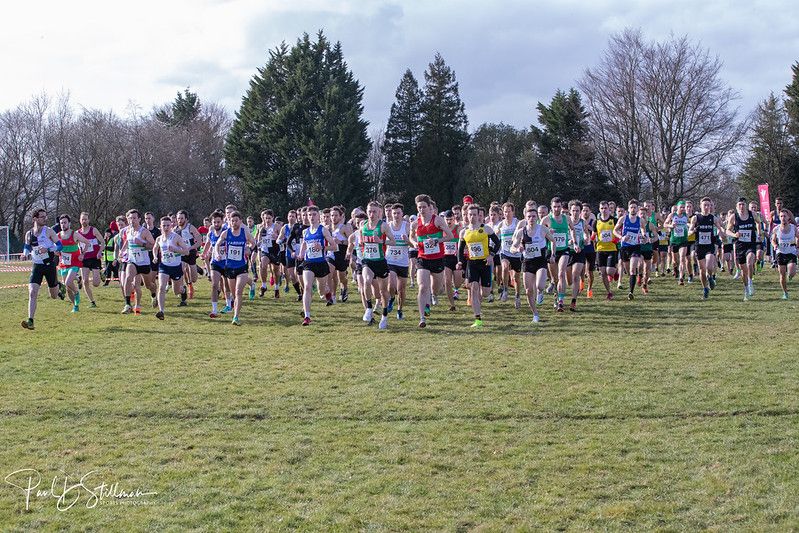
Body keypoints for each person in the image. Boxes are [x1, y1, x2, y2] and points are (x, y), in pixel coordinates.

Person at [409, 194, 454, 328]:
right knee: (423, 287)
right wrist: (414, 243)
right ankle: (422, 318)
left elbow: (450, 236)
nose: (421, 210)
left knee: (436, 289)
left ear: (430, 207)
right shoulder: (415, 223)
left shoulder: (438, 220)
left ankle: (432, 297)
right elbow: (411, 237)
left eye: (424, 207)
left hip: (437, 259)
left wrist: (437, 240)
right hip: (422, 258)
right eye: (419, 207)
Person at [21, 208, 65, 329]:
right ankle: (30, 321)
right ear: (35, 219)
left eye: (45, 216)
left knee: (54, 296)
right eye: (42, 217)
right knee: (32, 292)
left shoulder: (49, 231)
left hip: (49, 265)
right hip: (37, 266)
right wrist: (24, 254)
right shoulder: (29, 234)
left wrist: (48, 249)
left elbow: (60, 246)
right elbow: (27, 246)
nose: (45, 219)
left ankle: (59, 286)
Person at [354, 201, 397, 329]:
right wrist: (362, 243)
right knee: (366, 281)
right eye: (369, 211)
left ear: (379, 212)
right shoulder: (363, 224)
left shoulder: (383, 226)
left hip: (380, 262)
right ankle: (368, 308)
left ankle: (384, 316)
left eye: (374, 211)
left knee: (383, 292)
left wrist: (382, 241)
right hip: (367, 260)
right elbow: (361, 238)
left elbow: (393, 241)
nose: (371, 214)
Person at [457, 204, 501, 327]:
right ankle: (477, 319)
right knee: (474, 288)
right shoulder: (464, 232)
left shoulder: (486, 229)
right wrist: (460, 262)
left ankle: (489, 283)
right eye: (470, 214)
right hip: (472, 263)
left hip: (485, 262)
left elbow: (498, 243)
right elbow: (460, 250)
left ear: (479, 216)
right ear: (467, 215)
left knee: (485, 292)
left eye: (474, 214)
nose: (472, 217)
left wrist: (491, 255)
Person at [511, 206, 555, 323]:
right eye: (529, 216)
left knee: (540, 286)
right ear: (525, 218)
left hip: (540, 261)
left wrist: (553, 255)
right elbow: (512, 248)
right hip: (528, 262)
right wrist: (517, 249)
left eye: (534, 216)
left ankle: (540, 292)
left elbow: (553, 241)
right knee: (528, 291)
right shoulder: (521, 232)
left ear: (537, 218)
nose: (531, 218)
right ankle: (535, 314)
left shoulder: (542, 229)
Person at [215, 211, 256, 325]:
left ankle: (236, 317)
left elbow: (253, 242)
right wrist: (217, 254)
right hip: (229, 267)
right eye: (232, 221)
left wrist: (249, 249)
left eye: (236, 220)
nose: (234, 223)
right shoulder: (226, 233)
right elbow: (217, 244)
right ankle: (236, 309)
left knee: (238, 292)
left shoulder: (244, 232)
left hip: (242, 266)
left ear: (240, 221)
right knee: (234, 294)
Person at [297, 206, 337, 325]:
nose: (312, 217)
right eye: (309, 215)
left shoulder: (323, 230)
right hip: (308, 263)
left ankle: (327, 292)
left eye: (314, 214)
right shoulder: (305, 231)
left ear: (318, 216)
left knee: (321, 292)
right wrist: (301, 254)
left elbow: (334, 246)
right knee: (307, 287)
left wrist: (323, 247)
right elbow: (304, 244)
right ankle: (307, 316)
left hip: (321, 263)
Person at [542, 197, 579, 312]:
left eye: (558, 207)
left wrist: (575, 242)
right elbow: (539, 234)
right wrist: (547, 232)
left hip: (564, 250)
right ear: (551, 207)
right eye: (554, 207)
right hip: (551, 251)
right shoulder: (546, 219)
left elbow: (572, 229)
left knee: (561, 273)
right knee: (555, 279)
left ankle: (561, 301)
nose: (557, 209)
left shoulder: (566, 218)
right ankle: (556, 297)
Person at [688, 197, 729, 299]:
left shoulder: (713, 218)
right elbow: (689, 232)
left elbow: (720, 228)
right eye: (705, 205)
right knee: (702, 270)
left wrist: (723, 234)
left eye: (708, 205)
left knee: (709, 266)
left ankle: (710, 277)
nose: (707, 207)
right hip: (699, 246)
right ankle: (705, 288)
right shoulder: (696, 218)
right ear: (700, 206)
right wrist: (694, 230)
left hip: (709, 246)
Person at [152, 216, 191, 319]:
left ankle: (183, 290)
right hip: (164, 266)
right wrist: (155, 257)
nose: (166, 227)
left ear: (171, 226)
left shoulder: (176, 237)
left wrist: (175, 249)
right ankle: (161, 311)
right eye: (163, 225)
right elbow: (155, 248)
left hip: (176, 267)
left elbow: (186, 251)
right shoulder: (159, 239)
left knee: (176, 291)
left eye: (168, 225)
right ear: (160, 226)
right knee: (161, 287)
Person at [121, 209, 156, 315]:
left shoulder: (144, 232)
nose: (132, 220)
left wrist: (142, 244)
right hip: (132, 261)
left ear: (139, 219)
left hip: (144, 263)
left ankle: (154, 294)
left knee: (148, 285)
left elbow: (153, 245)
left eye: (134, 218)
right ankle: (128, 304)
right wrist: (122, 251)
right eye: (130, 218)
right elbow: (128, 241)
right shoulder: (128, 230)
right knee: (128, 278)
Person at [57, 214, 93, 313]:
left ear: (69, 223)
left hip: (74, 262)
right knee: (68, 289)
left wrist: (83, 254)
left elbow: (87, 242)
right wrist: (56, 251)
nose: (63, 225)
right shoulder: (58, 235)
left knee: (68, 282)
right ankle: (75, 306)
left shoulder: (74, 234)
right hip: (64, 263)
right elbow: (55, 248)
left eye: (65, 222)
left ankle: (76, 292)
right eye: (61, 223)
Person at [727, 197, 761, 300]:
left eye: (743, 204)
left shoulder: (752, 214)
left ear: (746, 205)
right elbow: (727, 230)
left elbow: (759, 222)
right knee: (743, 270)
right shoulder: (734, 217)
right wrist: (734, 234)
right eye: (739, 205)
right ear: (736, 206)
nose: (741, 207)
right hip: (740, 245)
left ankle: (750, 282)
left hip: (750, 244)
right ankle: (746, 289)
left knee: (750, 262)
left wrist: (759, 232)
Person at [613, 200, 644, 300]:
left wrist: (643, 235)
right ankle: (633, 277)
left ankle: (631, 292)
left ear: (637, 209)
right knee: (627, 270)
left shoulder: (640, 220)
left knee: (632, 269)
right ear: (628, 209)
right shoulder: (623, 219)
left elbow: (643, 229)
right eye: (631, 207)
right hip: (625, 247)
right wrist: (621, 237)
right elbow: (614, 230)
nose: (633, 209)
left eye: (635, 207)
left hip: (635, 246)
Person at [386, 203, 410, 320]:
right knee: (391, 285)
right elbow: (382, 242)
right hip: (390, 260)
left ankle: (400, 310)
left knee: (401, 290)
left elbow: (413, 244)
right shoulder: (387, 226)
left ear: (402, 214)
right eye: (394, 213)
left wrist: (407, 240)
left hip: (403, 262)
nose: (396, 215)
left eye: (398, 213)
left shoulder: (407, 226)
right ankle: (391, 298)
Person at [201, 210, 227, 317]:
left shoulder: (226, 232)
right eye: (214, 222)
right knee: (214, 285)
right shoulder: (210, 234)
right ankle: (214, 310)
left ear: (222, 222)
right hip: (215, 262)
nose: (216, 224)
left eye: (218, 222)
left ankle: (229, 304)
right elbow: (208, 244)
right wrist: (204, 254)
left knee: (227, 285)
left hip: (226, 262)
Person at [77, 212, 105, 307]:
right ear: (80, 220)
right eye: (82, 219)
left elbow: (103, 242)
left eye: (85, 219)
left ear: (88, 220)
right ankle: (92, 302)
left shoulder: (93, 230)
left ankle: (100, 273)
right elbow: (75, 245)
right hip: (84, 259)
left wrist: (99, 252)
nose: (84, 221)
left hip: (94, 258)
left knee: (96, 284)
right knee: (85, 281)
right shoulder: (77, 233)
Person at [498, 202, 522, 309]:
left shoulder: (518, 223)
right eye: (505, 212)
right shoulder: (501, 224)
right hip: (505, 252)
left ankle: (517, 296)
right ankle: (505, 290)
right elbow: (494, 235)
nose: (507, 214)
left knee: (516, 278)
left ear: (513, 212)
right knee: (505, 267)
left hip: (516, 254)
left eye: (509, 211)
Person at [175, 210, 203, 299]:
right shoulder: (175, 229)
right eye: (178, 218)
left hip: (191, 253)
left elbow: (199, 241)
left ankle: (196, 269)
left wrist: (190, 248)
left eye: (181, 218)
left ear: (186, 219)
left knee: (194, 279)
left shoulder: (190, 227)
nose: (180, 220)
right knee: (181, 270)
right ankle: (183, 289)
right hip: (181, 254)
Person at [771, 208, 798, 299]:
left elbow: (798, 237)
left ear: (788, 217)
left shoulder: (793, 228)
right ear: (779, 217)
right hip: (780, 253)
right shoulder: (776, 229)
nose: (783, 218)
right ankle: (785, 293)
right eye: (781, 216)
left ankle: (790, 276)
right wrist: (775, 245)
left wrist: (797, 246)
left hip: (791, 252)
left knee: (792, 272)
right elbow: (773, 240)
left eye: (784, 216)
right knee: (782, 275)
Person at [594, 201, 618, 300]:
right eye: (602, 208)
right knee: (603, 272)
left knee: (609, 271)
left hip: (612, 249)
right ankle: (609, 292)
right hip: (600, 249)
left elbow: (619, 232)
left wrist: (616, 239)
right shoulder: (596, 222)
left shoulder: (614, 220)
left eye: (605, 208)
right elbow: (594, 234)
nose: (604, 210)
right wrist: (591, 239)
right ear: (599, 210)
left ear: (609, 209)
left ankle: (616, 272)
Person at [665, 201, 690, 285]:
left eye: (684, 207)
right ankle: (675, 269)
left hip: (683, 240)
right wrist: (671, 226)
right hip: (674, 240)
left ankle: (681, 278)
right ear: (677, 208)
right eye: (681, 207)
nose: (682, 209)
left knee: (682, 258)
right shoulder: (672, 215)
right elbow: (665, 224)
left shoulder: (686, 215)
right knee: (675, 261)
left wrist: (690, 226)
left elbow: (690, 223)